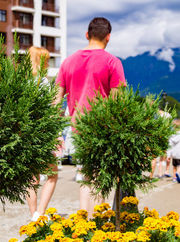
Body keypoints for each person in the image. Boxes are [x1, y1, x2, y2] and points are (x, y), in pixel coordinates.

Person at [55, 17, 126, 218]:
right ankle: (96, 228)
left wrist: (53, 131)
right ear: (108, 37)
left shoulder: (68, 62)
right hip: (101, 131)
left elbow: (56, 100)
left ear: (87, 35)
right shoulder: (113, 62)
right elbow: (118, 103)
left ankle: (84, 225)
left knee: (85, 178)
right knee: (98, 181)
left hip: (76, 130)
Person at [26, 46, 61, 222]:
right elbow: (49, 112)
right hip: (42, 135)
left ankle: (33, 215)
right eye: (47, 60)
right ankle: (41, 211)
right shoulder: (43, 82)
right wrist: (56, 135)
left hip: (26, 137)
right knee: (52, 175)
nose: (48, 63)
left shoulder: (23, 82)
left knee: (32, 179)